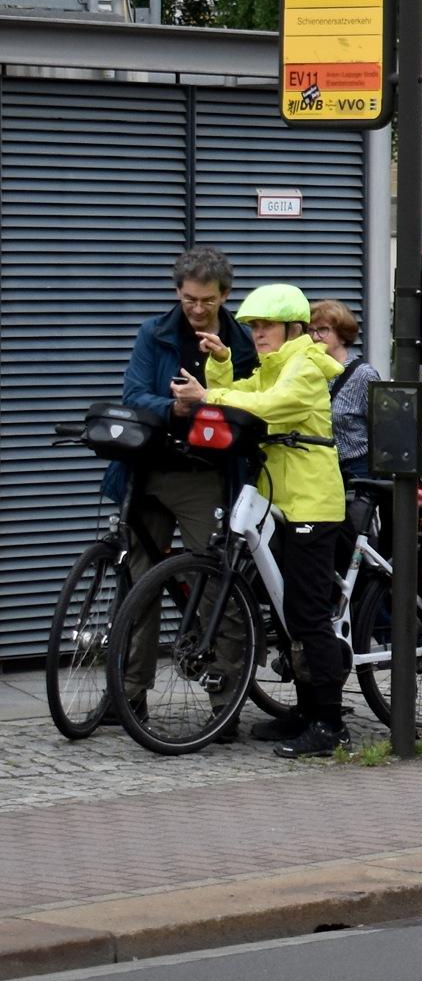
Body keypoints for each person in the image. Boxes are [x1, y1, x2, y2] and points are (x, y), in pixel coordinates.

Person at [183, 284, 351, 756]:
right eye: (253, 327)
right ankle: (303, 712)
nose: (257, 334)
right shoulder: (275, 366)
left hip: (311, 504)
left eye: (266, 326)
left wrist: (207, 394)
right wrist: (219, 364)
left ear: (293, 329)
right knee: (286, 612)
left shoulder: (304, 368)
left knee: (308, 615)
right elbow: (244, 393)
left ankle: (331, 724)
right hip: (283, 501)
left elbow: (270, 406)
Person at [113, 248, 259, 709]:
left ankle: (225, 699)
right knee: (139, 585)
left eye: (207, 301)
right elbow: (134, 393)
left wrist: (212, 399)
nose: (196, 309)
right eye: (189, 299)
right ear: (177, 291)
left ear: (225, 295)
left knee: (218, 581)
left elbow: (253, 404)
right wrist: (170, 408)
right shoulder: (154, 333)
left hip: (203, 473)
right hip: (149, 468)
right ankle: (130, 695)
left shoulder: (241, 340)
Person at [310, 298, 371, 480]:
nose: (314, 337)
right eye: (310, 330)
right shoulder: (309, 370)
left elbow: (380, 427)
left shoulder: (362, 375)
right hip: (320, 469)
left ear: (342, 334)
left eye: (322, 330)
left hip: (355, 469)